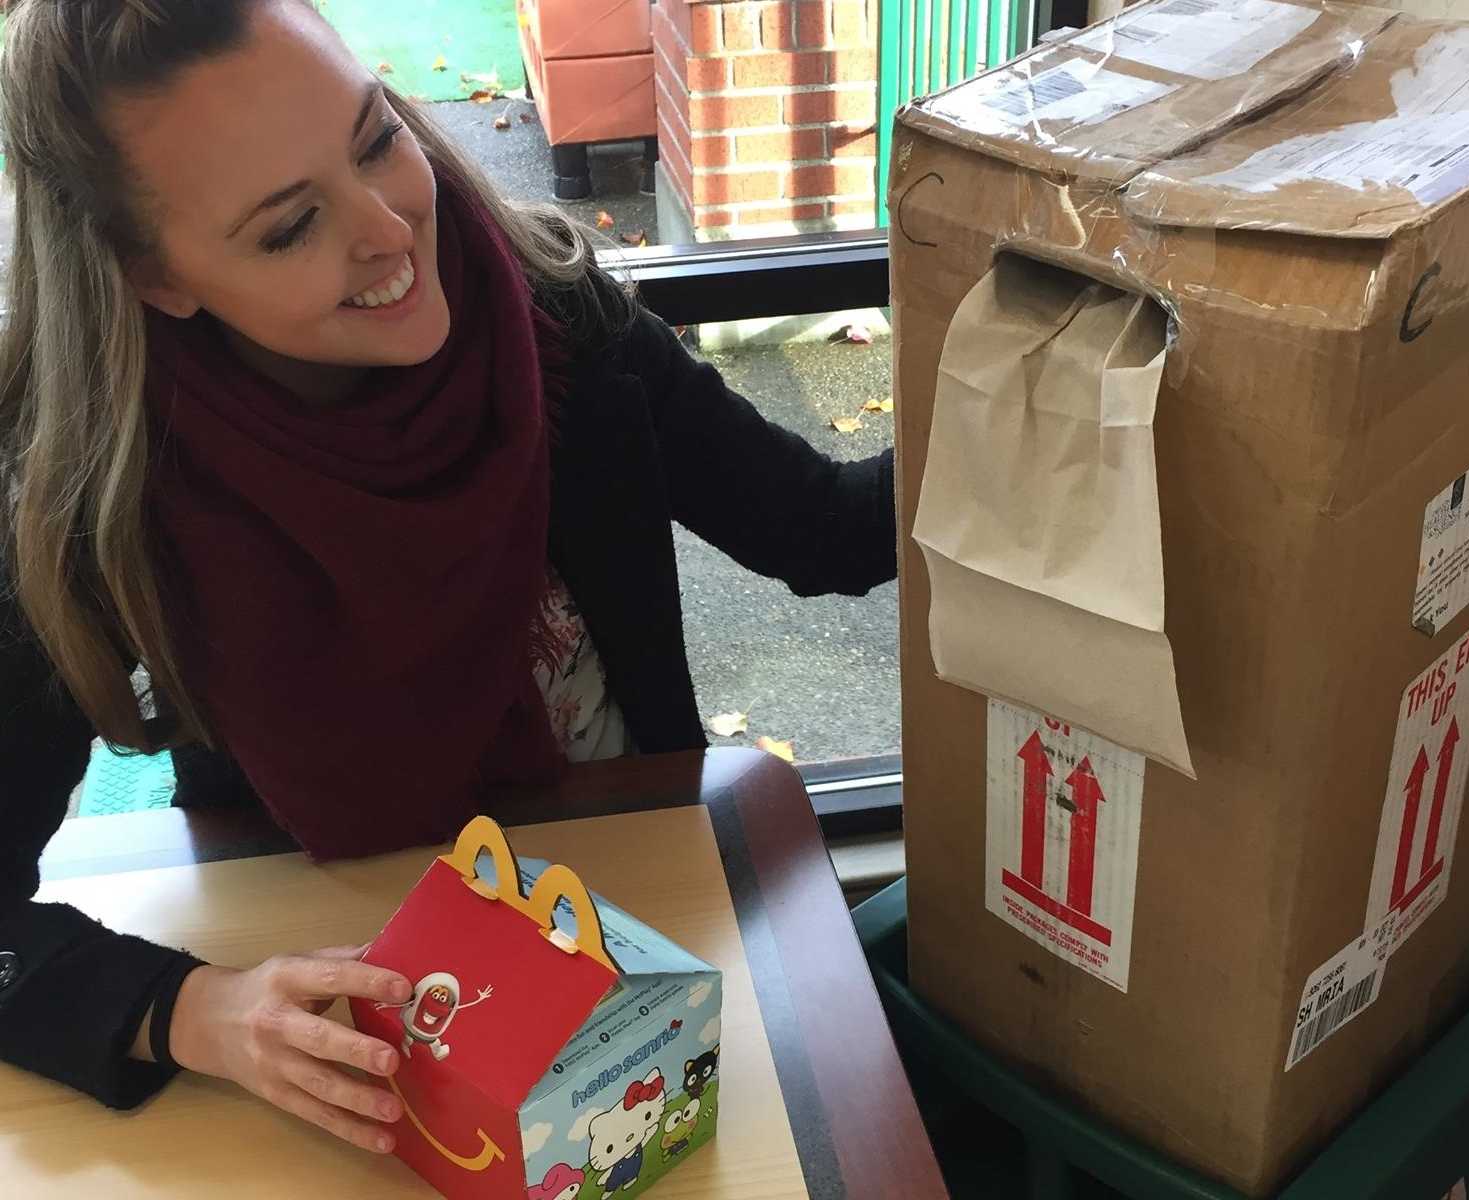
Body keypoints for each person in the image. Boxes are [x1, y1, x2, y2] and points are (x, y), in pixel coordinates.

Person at [0, 0, 895, 1159]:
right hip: (336, 977)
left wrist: (1040, 415)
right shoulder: (92, 484)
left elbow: (821, 530)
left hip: (634, 914)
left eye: (376, 137)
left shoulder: (559, 313)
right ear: (152, 275)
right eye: (288, 229)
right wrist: (190, 1011)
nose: (390, 229)